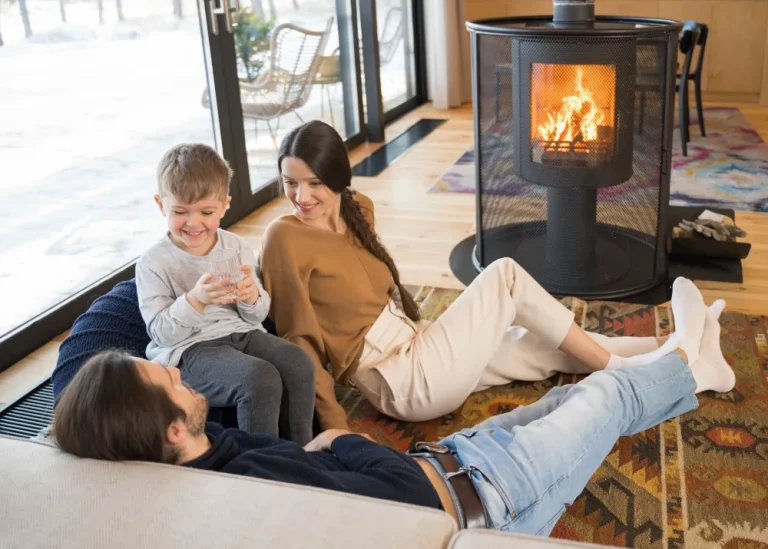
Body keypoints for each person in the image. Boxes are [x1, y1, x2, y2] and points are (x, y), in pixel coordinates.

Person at [52, 294, 735, 535]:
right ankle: (689, 360)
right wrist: (343, 438)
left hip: (462, 463)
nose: (174, 367)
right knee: (604, 396)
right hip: (482, 488)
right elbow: (406, 495)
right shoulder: (259, 485)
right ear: (174, 431)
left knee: (561, 398)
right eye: (163, 376)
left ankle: (694, 362)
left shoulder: (217, 457)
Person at [257, 120, 718, 430]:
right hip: (402, 381)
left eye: (314, 182)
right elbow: (299, 341)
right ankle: (620, 368)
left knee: (541, 346)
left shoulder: (360, 210)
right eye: (291, 183)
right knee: (504, 277)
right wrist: (338, 431)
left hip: (420, 341)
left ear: (339, 176)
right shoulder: (285, 238)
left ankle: (683, 356)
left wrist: (427, 333)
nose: (301, 196)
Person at [135, 143, 315, 444]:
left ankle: (302, 451)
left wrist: (251, 298)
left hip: (243, 333)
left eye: (206, 212)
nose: (193, 223)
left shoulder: (235, 246)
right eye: (180, 212)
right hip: (190, 350)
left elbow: (258, 315)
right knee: (259, 378)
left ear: (224, 205)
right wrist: (196, 300)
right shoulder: (153, 263)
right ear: (160, 204)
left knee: (298, 362)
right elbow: (161, 332)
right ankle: (261, 465)